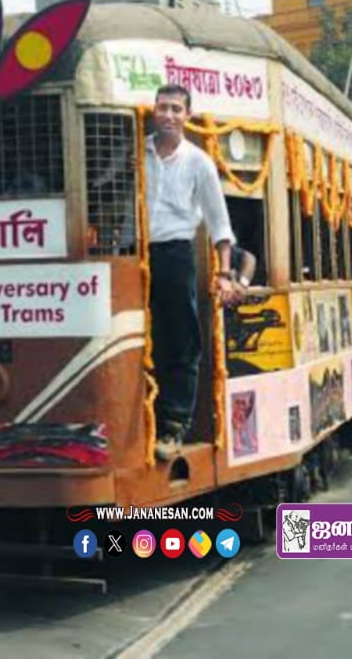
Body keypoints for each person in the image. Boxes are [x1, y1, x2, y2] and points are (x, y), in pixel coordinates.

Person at [145, 84, 240, 462]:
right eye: (162, 107)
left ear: (187, 116)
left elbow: (219, 223)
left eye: (176, 109)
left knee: (180, 340)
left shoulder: (198, 161)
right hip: (134, 254)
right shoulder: (137, 153)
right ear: (154, 111)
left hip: (176, 253)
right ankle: (141, 420)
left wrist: (224, 273)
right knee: (139, 336)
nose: (168, 114)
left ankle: (173, 426)